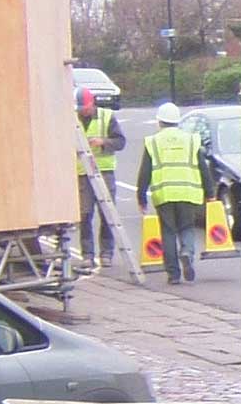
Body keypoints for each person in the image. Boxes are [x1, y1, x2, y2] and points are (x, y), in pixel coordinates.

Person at [137, 102, 215, 286]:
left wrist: (141, 197)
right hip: (188, 192)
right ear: (177, 121)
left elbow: (145, 172)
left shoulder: (153, 141)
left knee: (168, 232)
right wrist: (210, 193)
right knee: (187, 227)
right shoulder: (190, 140)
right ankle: (187, 252)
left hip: (164, 194)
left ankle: (173, 274)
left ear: (160, 121)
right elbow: (203, 168)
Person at [73, 88, 125, 267]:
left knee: (107, 214)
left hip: (104, 171)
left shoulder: (106, 116)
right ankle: (87, 254)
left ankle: (106, 253)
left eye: (85, 107)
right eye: (80, 107)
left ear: (92, 103)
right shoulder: (73, 118)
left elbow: (120, 142)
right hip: (82, 173)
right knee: (85, 214)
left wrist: (103, 142)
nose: (82, 110)